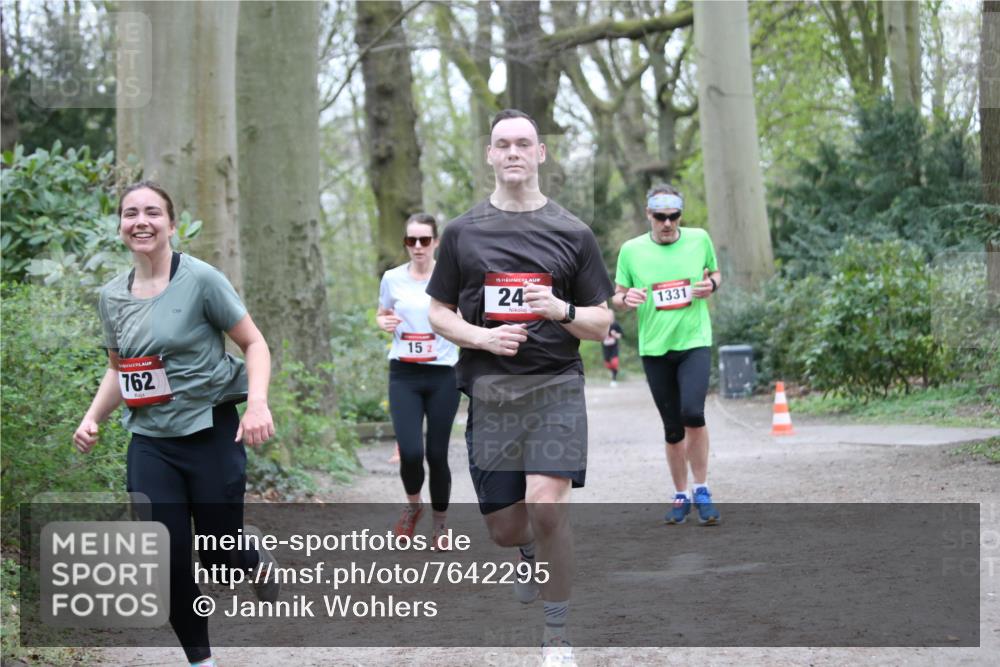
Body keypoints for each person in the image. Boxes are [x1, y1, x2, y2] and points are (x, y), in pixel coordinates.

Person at [427, 109, 614, 667]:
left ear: (540, 154)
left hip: (555, 386)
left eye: (523, 143)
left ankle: (557, 635)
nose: (513, 152)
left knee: (547, 505)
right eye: (502, 143)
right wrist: (482, 340)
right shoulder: (462, 232)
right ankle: (526, 550)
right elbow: (437, 313)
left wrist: (560, 309)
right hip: (490, 393)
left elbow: (601, 322)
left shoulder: (572, 232)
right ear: (490, 155)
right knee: (506, 529)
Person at [73, 181, 277, 667]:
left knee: (220, 560)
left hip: (210, 433)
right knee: (165, 561)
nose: (140, 221)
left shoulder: (201, 279)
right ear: (120, 225)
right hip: (150, 443)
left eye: (151, 213)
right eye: (129, 214)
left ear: (171, 222)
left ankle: (249, 555)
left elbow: (254, 343)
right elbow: (118, 368)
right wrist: (92, 416)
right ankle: (200, 661)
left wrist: (258, 404)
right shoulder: (111, 297)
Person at [613, 184, 722, 526]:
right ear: (649, 215)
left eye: (673, 216)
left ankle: (701, 488)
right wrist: (625, 299)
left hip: (694, 341)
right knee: (673, 428)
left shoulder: (699, 239)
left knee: (693, 412)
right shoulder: (631, 251)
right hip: (655, 348)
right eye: (660, 217)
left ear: (680, 215)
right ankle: (680, 494)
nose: (667, 223)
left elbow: (715, 273)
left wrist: (713, 285)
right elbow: (617, 295)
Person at [376, 213, 461, 550]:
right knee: (411, 452)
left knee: (436, 454)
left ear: (436, 242)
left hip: (443, 373)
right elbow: (382, 313)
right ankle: (414, 507)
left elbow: (465, 318)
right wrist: (382, 322)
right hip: (404, 374)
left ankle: (441, 526)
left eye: (424, 240)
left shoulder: (450, 277)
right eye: (411, 241)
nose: (418, 247)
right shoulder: (392, 278)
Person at [602, 317, 624, 386]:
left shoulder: (615, 325)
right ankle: (614, 371)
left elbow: (621, 335)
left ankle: (614, 379)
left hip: (614, 347)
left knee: (614, 363)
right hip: (605, 348)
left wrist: (615, 335)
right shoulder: (603, 324)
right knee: (607, 364)